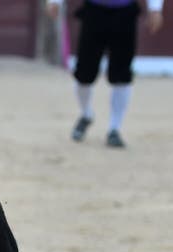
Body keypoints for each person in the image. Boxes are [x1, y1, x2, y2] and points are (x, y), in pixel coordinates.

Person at [47, 0, 165, 147]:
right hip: (94, 11)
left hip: (125, 11)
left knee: (122, 74)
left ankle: (114, 128)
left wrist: (155, 8)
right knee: (84, 74)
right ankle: (86, 114)